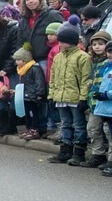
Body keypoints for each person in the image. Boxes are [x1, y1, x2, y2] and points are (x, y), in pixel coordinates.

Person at [47, 17, 92, 165]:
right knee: (65, 124)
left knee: (78, 125)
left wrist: (83, 98)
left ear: (70, 42)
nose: (59, 44)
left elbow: (85, 79)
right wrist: (51, 95)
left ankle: (79, 152)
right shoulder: (58, 57)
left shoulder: (82, 57)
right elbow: (54, 77)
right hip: (61, 96)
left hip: (75, 98)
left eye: (62, 41)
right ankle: (65, 150)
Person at [81, 31, 111, 168]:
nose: (97, 47)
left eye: (101, 44)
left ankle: (110, 158)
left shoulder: (108, 63)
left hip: (107, 103)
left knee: (107, 130)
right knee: (93, 128)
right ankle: (97, 154)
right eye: (94, 44)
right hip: (95, 102)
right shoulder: (92, 62)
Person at [17, 0, 65, 71]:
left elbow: (62, 36)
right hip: (30, 62)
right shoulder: (23, 21)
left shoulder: (52, 15)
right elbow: (21, 41)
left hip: (48, 59)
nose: (30, 1)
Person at [13, 48, 47, 140]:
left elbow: (39, 81)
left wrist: (40, 94)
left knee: (34, 114)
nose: (16, 62)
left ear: (25, 60)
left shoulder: (34, 68)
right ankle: (29, 129)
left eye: (18, 60)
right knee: (27, 114)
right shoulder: (22, 69)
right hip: (25, 96)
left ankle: (35, 130)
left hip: (33, 96)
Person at [90, 38, 112, 176]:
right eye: (109, 52)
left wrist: (106, 95)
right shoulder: (107, 67)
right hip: (107, 109)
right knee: (109, 135)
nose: (110, 55)